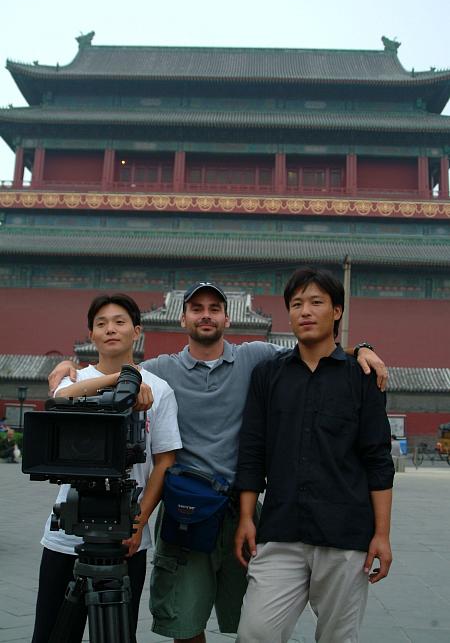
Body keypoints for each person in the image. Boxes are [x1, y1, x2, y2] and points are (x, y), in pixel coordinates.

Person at [49, 280, 388, 643]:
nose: (205, 316)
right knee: (184, 621)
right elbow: (115, 365)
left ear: (228, 319)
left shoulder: (254, 357)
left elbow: (315, 350)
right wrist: (68, 366)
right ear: (183, 320)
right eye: (197, 309)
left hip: (237, 509)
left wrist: (360, 351)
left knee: (255, 621)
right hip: (185, 511)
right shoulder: (162, 368)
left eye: (214, 309)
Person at [234, 268, 394, 643]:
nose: (305, 311)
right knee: (255, 633)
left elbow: (378, 459)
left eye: (316, 302)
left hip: (345, 534)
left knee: (338, 638)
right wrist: (246, 516)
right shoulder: (267, 375)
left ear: (337, 311)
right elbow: (252, 450)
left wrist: (382, 535)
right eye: (296, 304)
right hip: (280, 531)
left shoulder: (362, 377)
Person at [32, 293, 181, 643]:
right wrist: (121, 380)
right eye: (101, 324)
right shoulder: (74, 381)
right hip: (66, 537)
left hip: (127, 538)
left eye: (119, 322)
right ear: (91, 334)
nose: (110, 329)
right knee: (50, 634)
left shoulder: (160, 391)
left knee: (118, 635)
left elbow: (165, 463)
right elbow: (58, 399)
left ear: (136, 331)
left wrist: (138, 523)